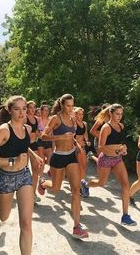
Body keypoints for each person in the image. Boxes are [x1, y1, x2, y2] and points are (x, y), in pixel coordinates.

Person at [0, 95, 43, 255]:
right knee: (4, 217)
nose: (22, 112)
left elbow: (22, 148)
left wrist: (33, 155)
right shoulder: (4, 130)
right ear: (10, 110)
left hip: (24, 176)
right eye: (17, 109)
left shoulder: (26, 128)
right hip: (5, 178)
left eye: (24, 108)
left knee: (26, 223)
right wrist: (12, 161)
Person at [38, 94, 89, 239]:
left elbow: (71, 136)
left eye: (72, 105)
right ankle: (43, 183)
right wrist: (60, 137)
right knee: (56, 188)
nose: (70, 108)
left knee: (75, 190)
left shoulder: (73, 118)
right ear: (62, 105)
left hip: (71, 156)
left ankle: (76, 226)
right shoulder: (56, 118)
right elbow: (43, 136)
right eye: (68, 105)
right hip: (58, 156)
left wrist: (77, 144)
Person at [81, 104, 137, 226]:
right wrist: (117, 151)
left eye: (121, 114)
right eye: (117, 113)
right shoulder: (106, 127)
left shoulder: (122, 126)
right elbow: (101, 148)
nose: (119, 116)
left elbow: (121, 143)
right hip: (105, 159)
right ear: (111, 114)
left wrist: (124, 148)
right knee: (101, 183)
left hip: (117, 160)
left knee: (126, 185)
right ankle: (85, 184)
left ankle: (125, 216)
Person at [26, 101, 43, 203]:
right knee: (23, 170)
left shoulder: (37, 119)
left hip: (34, 144)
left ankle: (33, 193)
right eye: (30, 107)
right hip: (24, 146)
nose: (32, 109)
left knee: (36, 169)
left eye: (34, 107)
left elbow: (38, 133)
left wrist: (42, 134)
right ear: (27, 108)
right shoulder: (24, 118)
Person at [74, 107, 91, 195]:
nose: (81, 116)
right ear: (75, 114)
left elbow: (85, 134)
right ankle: (80, 187)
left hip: (83, 146)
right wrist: (77, 143)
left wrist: (87, 141)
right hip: (75, 147)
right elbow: (72, 137)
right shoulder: (73, 124)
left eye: (82, 114)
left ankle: (80, 184)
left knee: (84, 166)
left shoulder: (84, 123)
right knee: (80, 167)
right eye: (79, 114)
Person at [37, 102, 53, 175]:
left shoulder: (51, 119)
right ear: (41, 111)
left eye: (47, 110)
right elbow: (35, 129)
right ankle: (40, 176)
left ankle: (46, 171)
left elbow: (52, 131)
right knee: (41, 159)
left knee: (50, 158)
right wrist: (39, 134)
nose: (46, 112)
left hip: (49, 140)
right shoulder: (38, 119)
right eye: (44, 110)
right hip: (40, 141)